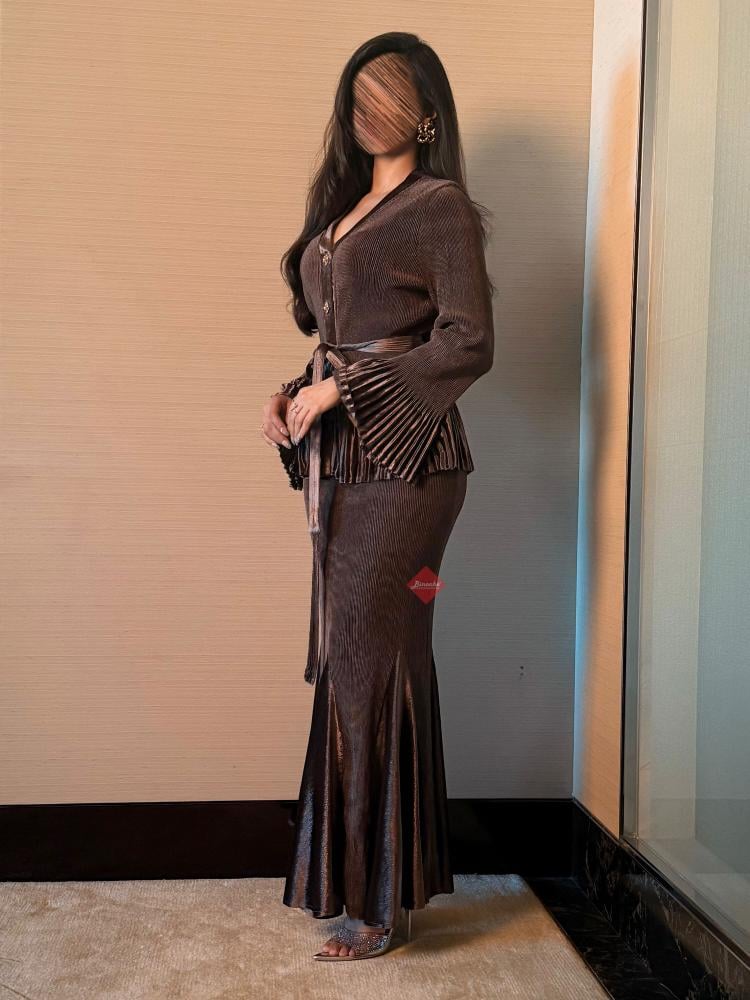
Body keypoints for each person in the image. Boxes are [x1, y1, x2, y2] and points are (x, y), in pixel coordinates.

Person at [260, 31, 495, 961]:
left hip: (416, 469)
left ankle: (375, 905)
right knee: (360, 658)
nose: (369, 109)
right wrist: (296, 392)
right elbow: (347, 336)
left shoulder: (440, 208)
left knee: (374, 653)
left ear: (427, 112)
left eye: (389, 93)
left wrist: (342, 391)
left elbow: (468, 340)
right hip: (350, 460)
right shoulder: (345, 211)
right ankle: (368, 885)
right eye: (358, 94)